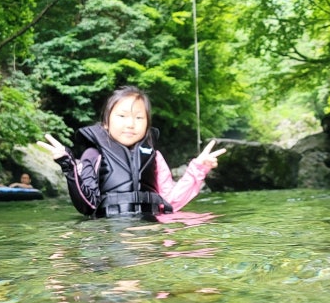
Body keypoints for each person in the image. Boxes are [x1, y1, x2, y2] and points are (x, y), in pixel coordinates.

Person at [42, 86, 225, 218]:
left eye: (139, 118)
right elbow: (87, 206)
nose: (131, 124)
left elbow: (171, 202)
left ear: (147, 125)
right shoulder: (93, 154)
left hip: (149, 231)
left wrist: (198, 169)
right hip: (107, 234)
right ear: (106, 123)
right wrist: (68, 165)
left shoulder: (154, 157)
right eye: (122, 116)